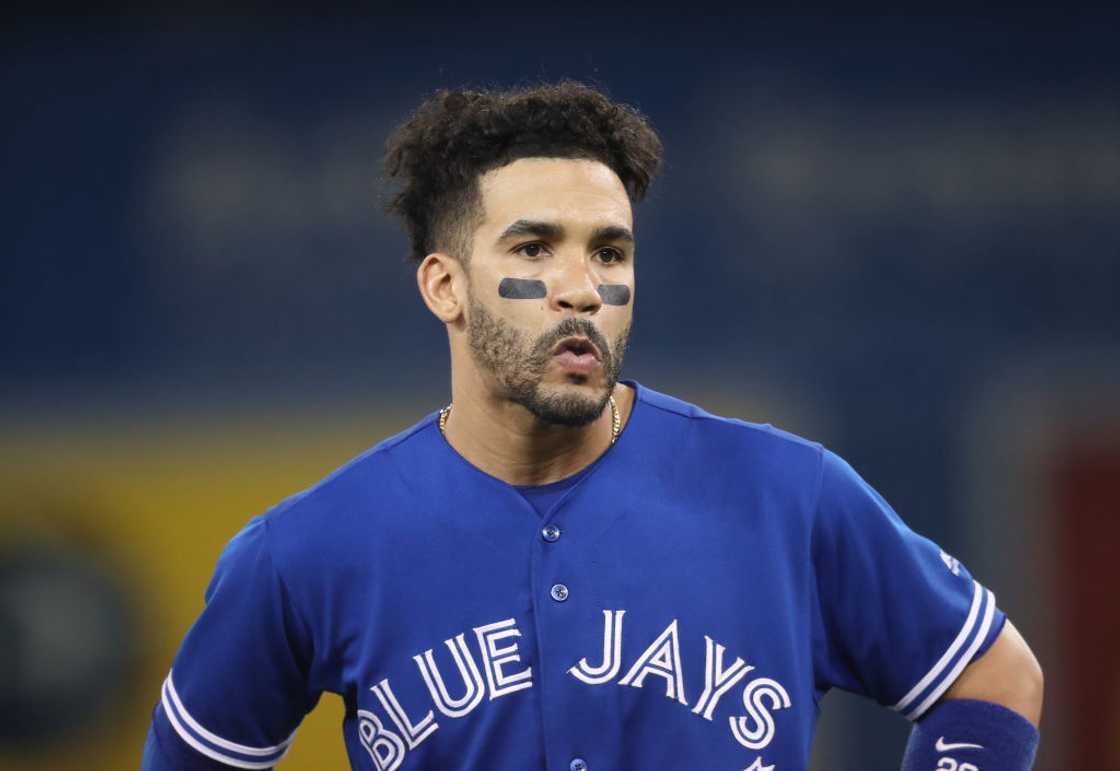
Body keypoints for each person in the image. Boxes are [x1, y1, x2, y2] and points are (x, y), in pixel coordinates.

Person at [141, 81, 1043, 771]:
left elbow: (994, 676)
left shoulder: (787, 496)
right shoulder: (307, 550)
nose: (582, 286)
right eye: (535, 247)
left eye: (609, 250)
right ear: (444, 285)